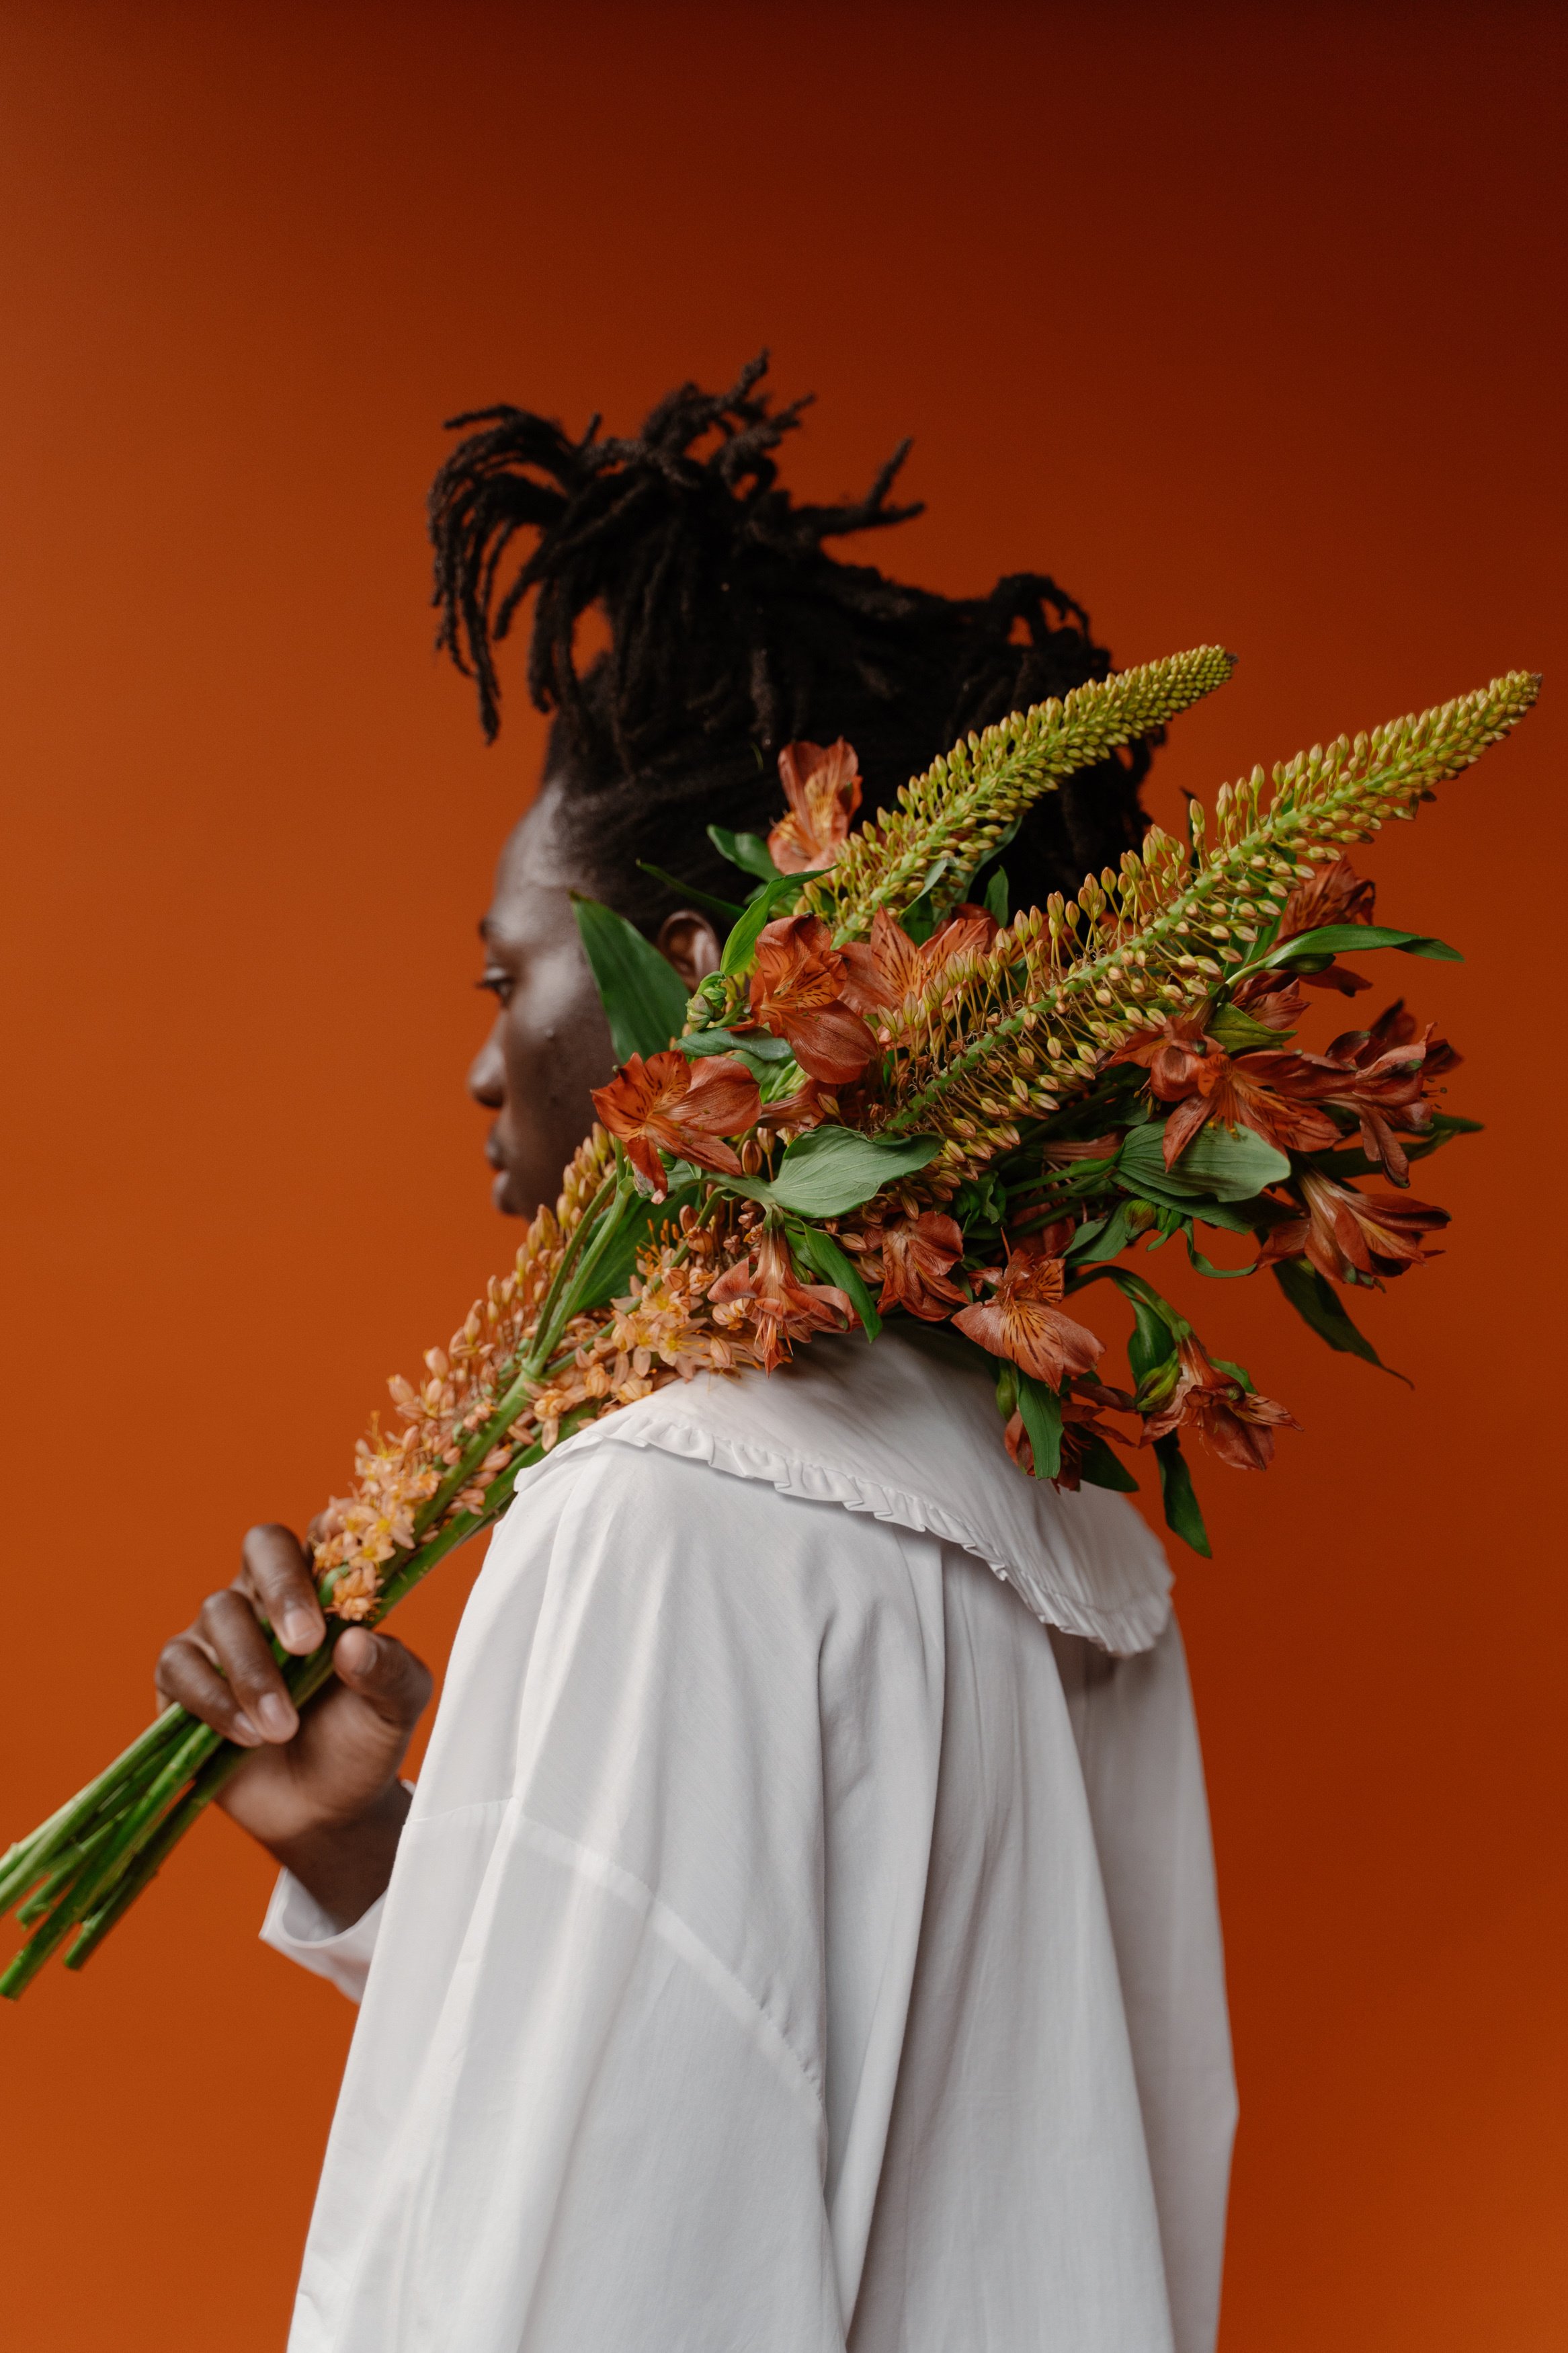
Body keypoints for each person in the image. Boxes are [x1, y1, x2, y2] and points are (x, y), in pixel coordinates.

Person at [155, 360, 1236, 2352]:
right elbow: (859, 2144)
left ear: (708, 987)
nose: (483, 1060)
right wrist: (401, 1857)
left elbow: (602, 2278)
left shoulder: (663, 1523)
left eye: (514, 970)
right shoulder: (1051, 1522)